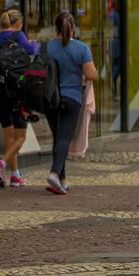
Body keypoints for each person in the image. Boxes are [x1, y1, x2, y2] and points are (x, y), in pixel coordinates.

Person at [44, 11, 97, 195]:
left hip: (50, 99)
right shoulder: (82, 48)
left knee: (59, 138)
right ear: (73, 28)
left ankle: (62, 180)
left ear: (56, 28)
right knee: (64, 138)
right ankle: (54, 173)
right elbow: (91, 74)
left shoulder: (47, 47)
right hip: (72, 97)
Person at [0, 8, 39, 189]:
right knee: (21, 136)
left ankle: (15, 175)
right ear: (19, 24)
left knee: (8, 134)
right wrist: (36, 43)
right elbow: (33, 50)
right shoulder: (18, 36)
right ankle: (1, 164)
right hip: (16, 91)